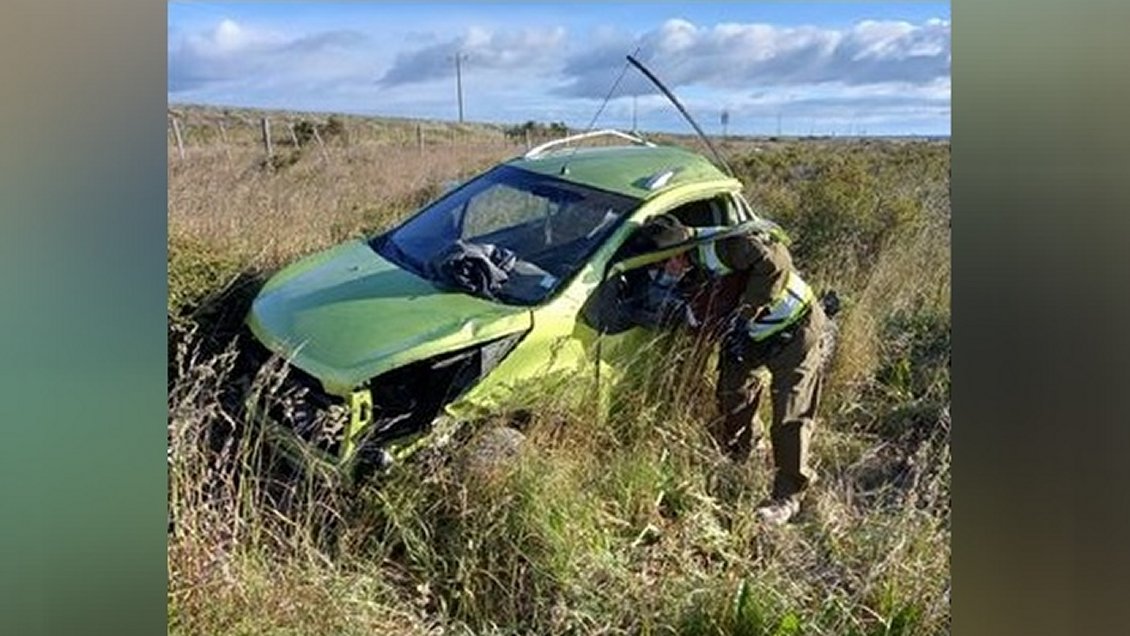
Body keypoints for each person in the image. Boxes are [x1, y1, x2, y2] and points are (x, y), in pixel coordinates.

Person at [639, 213, 828, 525]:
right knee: (731, 393)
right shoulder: (690, 269)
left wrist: (746, 314)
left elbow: (776, 261)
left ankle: (788, 497)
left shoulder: (728, 244)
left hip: (794, 328)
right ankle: (747, 450)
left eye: (663, 263)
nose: (663, 272)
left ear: (678, 251)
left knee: (790, 412)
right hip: (749, 337)